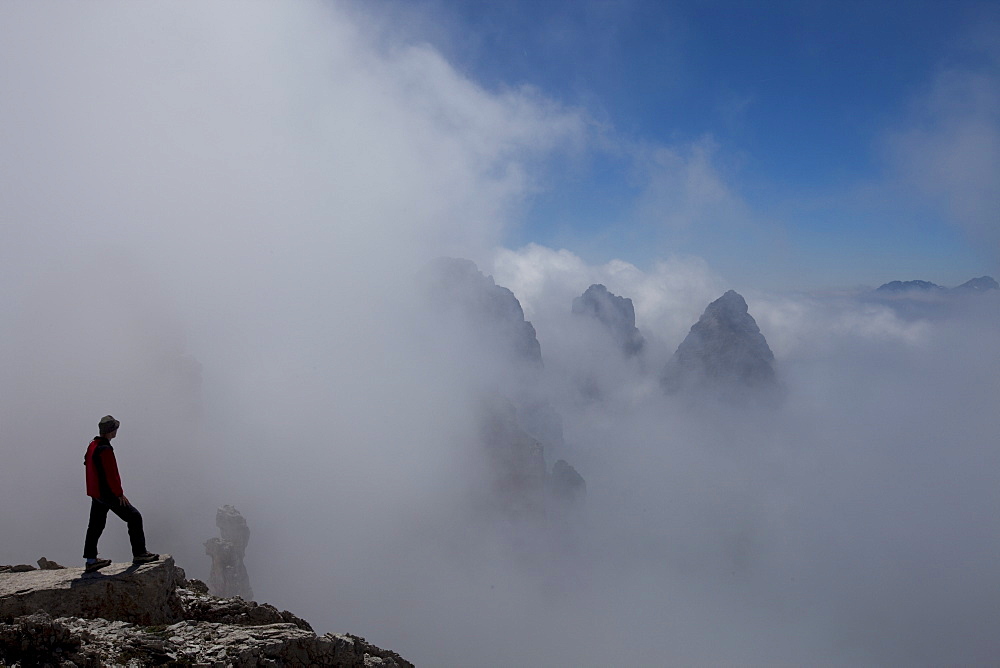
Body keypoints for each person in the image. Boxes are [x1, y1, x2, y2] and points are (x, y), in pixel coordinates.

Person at [83, 415, 158, 573]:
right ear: (111, 431)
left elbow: (87, 462)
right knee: (134, 517)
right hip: (107, 493)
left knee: (95, 525)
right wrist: (119, 494)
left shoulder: (93, 445)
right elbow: (111, 474)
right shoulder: (105, 449)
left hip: (96, 493)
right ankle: (140, 553)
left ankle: (91, 560)